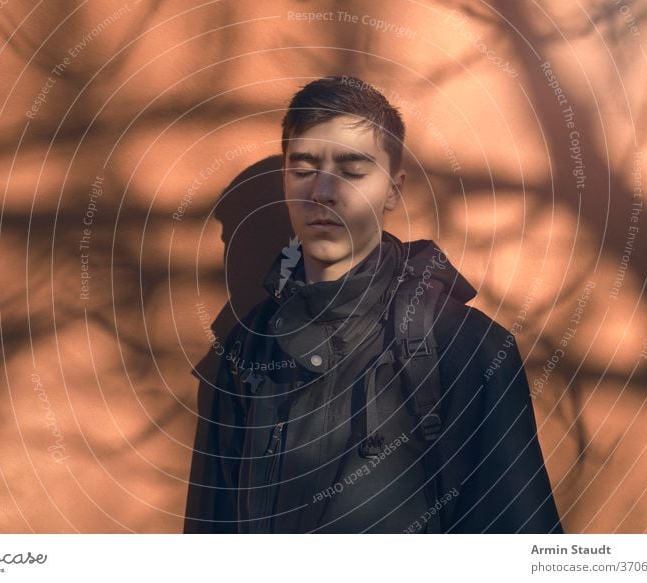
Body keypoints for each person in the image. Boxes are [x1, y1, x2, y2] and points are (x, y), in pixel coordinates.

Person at [184, 75, 563, 534]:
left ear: (393, 189)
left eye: (352, 170)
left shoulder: (466, 347)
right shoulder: (248, 350)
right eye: (303, 168)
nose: (323, 191)